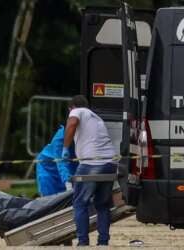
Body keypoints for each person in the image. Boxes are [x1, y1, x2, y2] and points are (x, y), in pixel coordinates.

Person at [62, 95, 117, 246]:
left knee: (80, 203)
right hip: (110, 163)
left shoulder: (76, 111)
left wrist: (66, 148)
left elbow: (72, 124)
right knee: (103, 204)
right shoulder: (96, 117)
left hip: (92, 163)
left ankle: (83, 242)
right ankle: (103, 242)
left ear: (71, 107)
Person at [35, 125, 78, 196]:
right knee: (50, 200)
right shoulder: (59, 138)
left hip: (70, 168)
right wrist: (68, 184)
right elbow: (61, 163)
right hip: (48, 170)